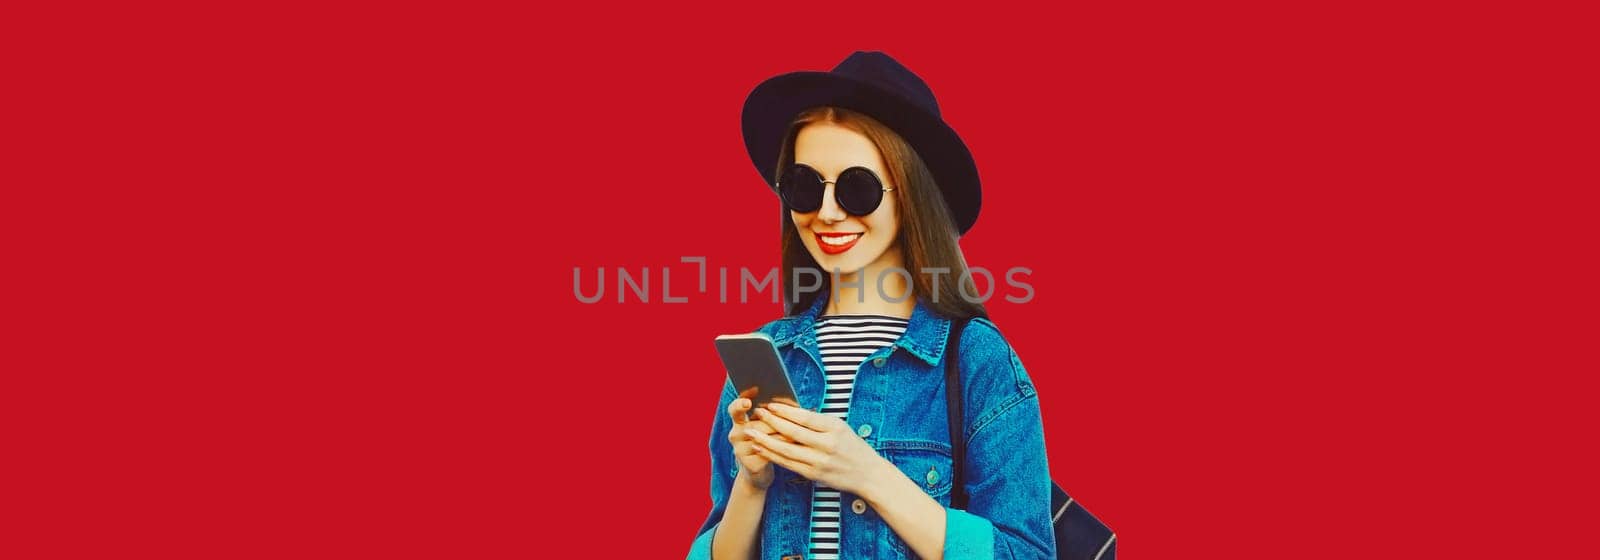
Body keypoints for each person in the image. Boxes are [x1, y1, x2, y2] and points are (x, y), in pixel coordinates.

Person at [687, 51, 1054, 560]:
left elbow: (1028, 554)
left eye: (857, 188)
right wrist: (752, 485)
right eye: (805, 187)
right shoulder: (768, 355)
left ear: (910, 195)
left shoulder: (976, 359)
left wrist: (868, 473)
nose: (829, 213)